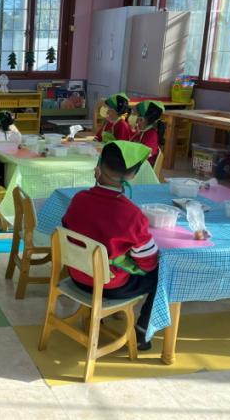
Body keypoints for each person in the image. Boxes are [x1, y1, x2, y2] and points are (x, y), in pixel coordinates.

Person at [61, 141, 158, 350]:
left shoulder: (79, 199)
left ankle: (103, 314)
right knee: (164, 274)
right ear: (132, 176)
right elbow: (148, 263)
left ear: (98, 167)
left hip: (77, 276)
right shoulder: (132, 215)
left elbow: (68, 229)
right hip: (110, 286)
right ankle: (142, 331)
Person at [130, 100, 165, 166]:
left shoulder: (152, 134)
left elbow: (147, 154)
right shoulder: (141, 131)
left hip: (144, 166)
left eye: (135, 115)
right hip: (137, 163)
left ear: (142, 120)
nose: (132, 117)